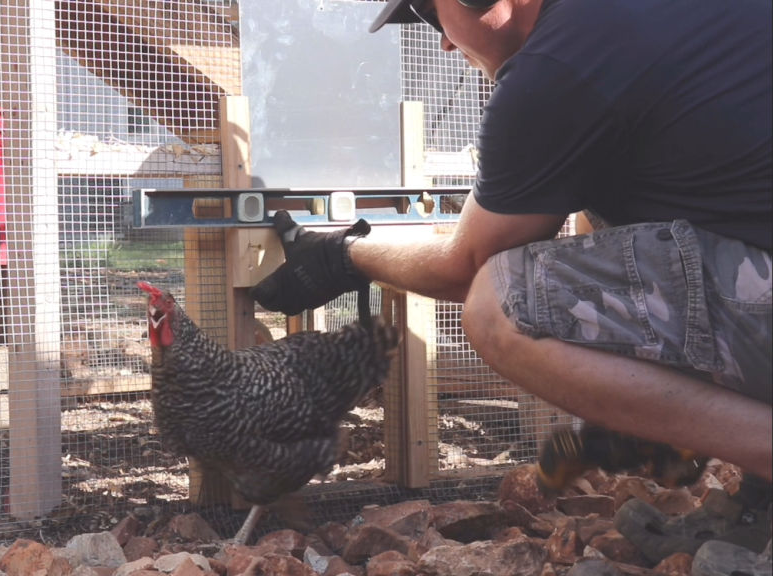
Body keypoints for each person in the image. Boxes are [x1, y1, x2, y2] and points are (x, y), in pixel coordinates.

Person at [250, 0, 772, 572]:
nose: (445, 44)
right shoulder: (637, 24)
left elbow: (467, 262)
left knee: (501, 302)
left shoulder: (560, 64)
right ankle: (760, 503)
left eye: (432, 15)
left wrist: (343, 255)